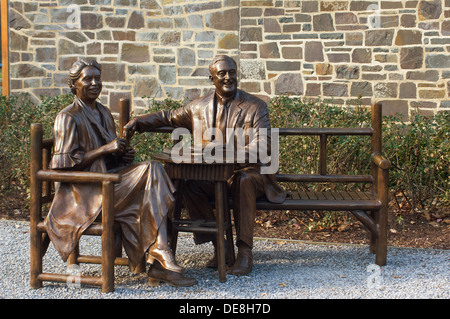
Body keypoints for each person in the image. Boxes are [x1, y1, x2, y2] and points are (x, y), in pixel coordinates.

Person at [124, 55, 286, 275]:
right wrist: (139, 121)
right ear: (212, 79)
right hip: (214, 175)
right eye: (222, 74)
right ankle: (221, 246)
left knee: (243, 181)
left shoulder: (255, 107)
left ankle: (245, 253)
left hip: (249, 173)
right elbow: (169, 117)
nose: (228, 77)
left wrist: (227, 154)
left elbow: (264, 146)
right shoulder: (198, 107)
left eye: (232, 72)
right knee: (189, 183)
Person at [44, 59, 197, 287]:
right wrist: (106, 149)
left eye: (98, 78)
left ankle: (159, 258)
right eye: (88, 79)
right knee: (152, 177)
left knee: (153, 172)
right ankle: (160, 255)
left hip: (109, 183)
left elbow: (108, 157)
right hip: (85, 194)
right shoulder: (67, 117)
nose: (95, 83)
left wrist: (120, 155)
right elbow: (63, 165)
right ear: (74, 85)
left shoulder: (103, 112)